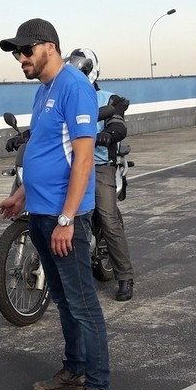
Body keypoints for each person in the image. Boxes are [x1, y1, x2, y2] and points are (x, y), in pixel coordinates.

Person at [0, 18, 112, 390]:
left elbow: (82, 159)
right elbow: (44, 150)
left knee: (83, 305)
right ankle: (74, 370)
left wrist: (66, 218)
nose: (20, 58)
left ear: (49, 46)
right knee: (63, 299)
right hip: (41, 213)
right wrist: (21, 195)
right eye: (16, 53)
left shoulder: (74, 87)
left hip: (65, 219)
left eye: (25, 51)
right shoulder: (44, 90)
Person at [64, 47, 135, 301]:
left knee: (107, 216)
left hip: (98, 166)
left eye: (80, 72)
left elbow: (118, 123)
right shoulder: (66, 98)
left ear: (91, 71)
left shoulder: (107, 99)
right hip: (68, 165)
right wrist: (25, 137)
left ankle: (125, 276)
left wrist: (108, 134)